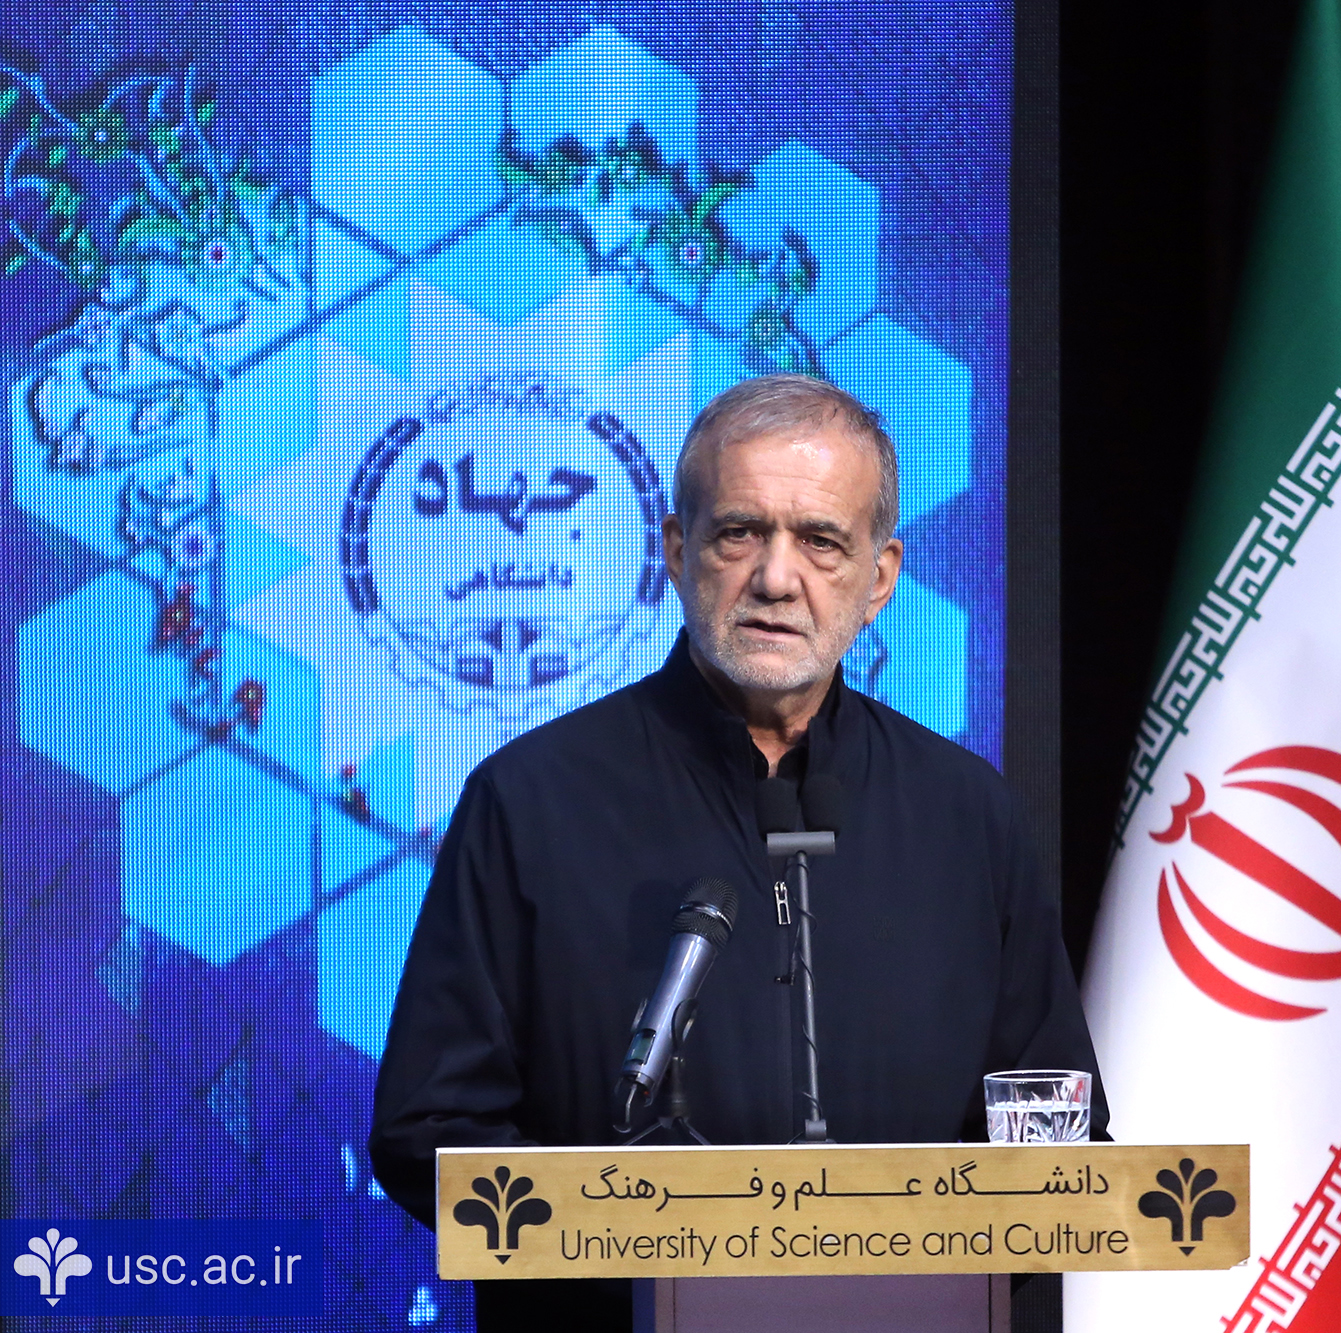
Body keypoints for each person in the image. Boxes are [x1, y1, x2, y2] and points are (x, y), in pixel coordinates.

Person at [369, 374, 1105, 1330]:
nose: (776, 577)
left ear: (880, 578)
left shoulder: (968, 816)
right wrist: (659, 1253)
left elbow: (1057, 1141)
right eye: (740, 532)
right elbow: (430, 1132)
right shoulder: (530, 801)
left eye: (821, 540)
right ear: (678, 552)